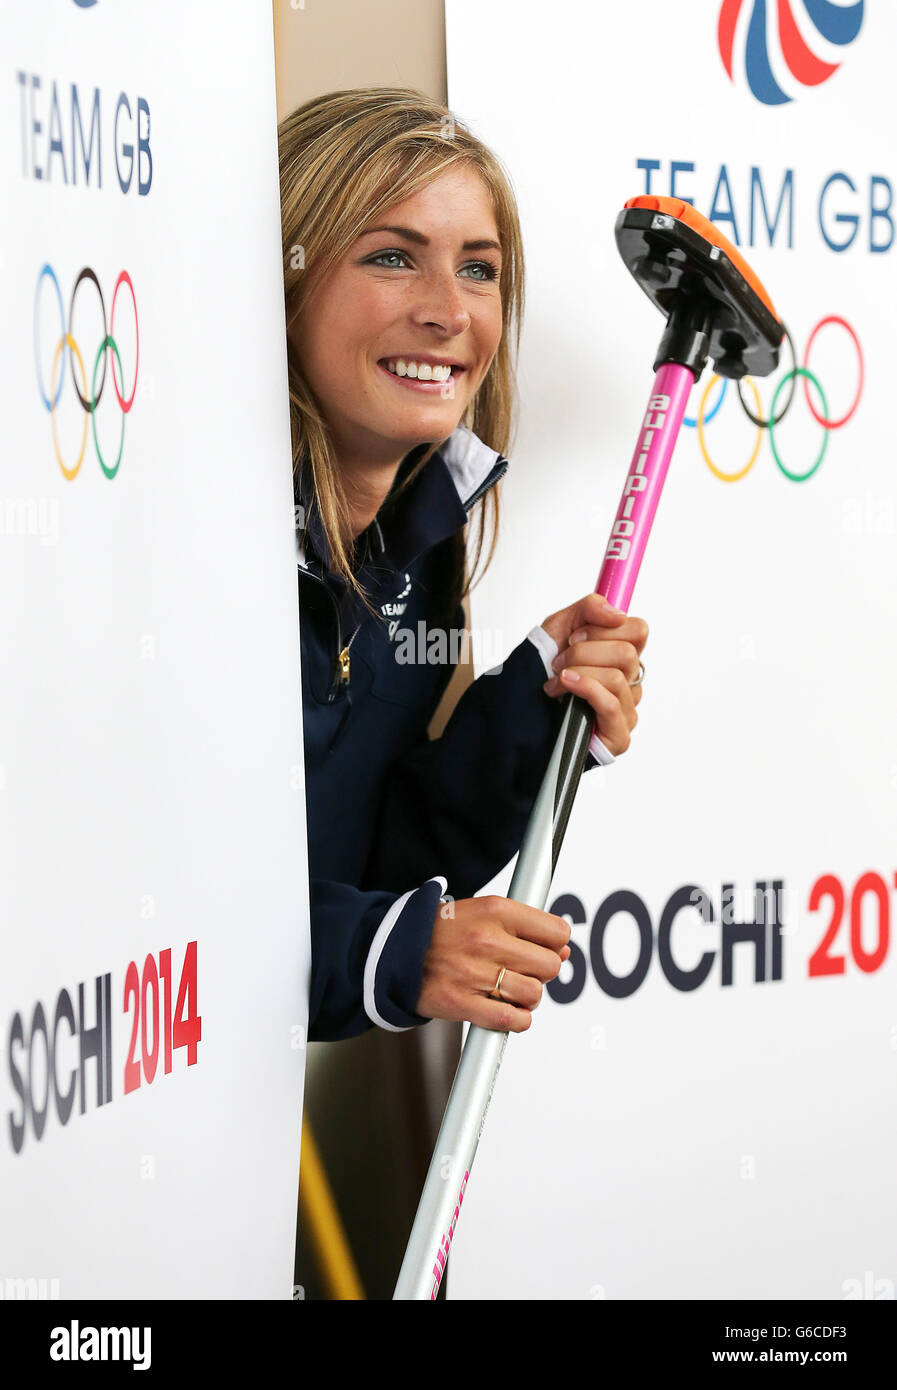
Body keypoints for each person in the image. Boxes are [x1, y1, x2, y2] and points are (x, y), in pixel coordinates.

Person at [278, 87, 648, 1044]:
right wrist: (392, 952)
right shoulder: (195, 554)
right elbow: (153, 922)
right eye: (392, 258)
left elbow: (366, 856)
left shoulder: (423, 534)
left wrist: (534, 711)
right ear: (283, 280)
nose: (448, 313)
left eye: (478, 271)